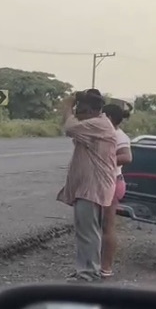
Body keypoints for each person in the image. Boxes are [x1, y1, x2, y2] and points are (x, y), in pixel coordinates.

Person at [56, 89, 118, 282]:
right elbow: (70, 127)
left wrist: (67, 107)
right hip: (89, 186)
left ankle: (88, 273)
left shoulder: (99, 124)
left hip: (93, 187)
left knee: (88, 232)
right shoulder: (95, 125)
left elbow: (69, 128)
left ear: (92, 110)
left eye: (80, 109)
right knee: (85, 230)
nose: (77, 113)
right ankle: (85, 269)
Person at [99, 101, 134, 278]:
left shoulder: (118, 135)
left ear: (110, 118)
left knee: (108, 227)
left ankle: (105, 268)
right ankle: (99, 265)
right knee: (101, 226)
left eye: (102, 116)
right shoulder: (108, 133)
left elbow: (127, 157)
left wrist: (104, 159)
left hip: (111, 183)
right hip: (109, 182)